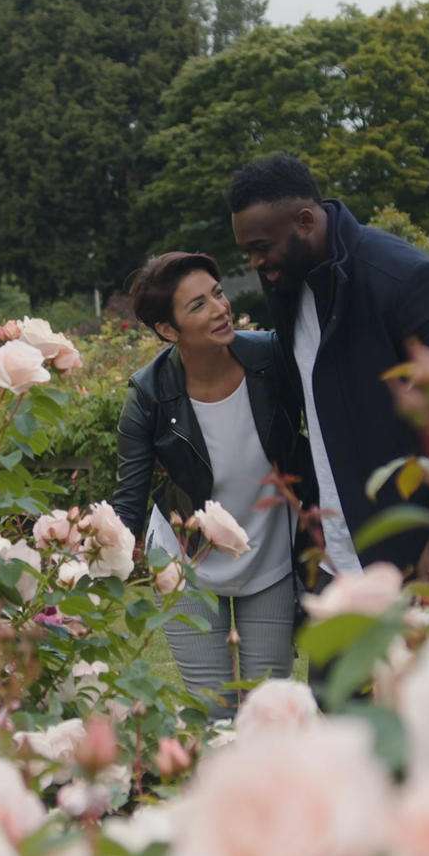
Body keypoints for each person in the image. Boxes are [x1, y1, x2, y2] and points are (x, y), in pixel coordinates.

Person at [227, 153, 429, 583]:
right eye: (248, 252)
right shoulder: (285, 281)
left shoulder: (403, 279)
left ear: (304, 221)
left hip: (412, 552)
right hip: (334, 558)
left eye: (261, 248)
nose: (256, 264)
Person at [110, 250, 310, 718]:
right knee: (212, 713)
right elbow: (129, 499)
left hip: (269, 552)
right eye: (197, 305)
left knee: (270, 712)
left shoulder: (271, 358)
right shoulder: (149, 393)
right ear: (168, 329)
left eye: (217, 294)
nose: (220, 309)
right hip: (184, 563)